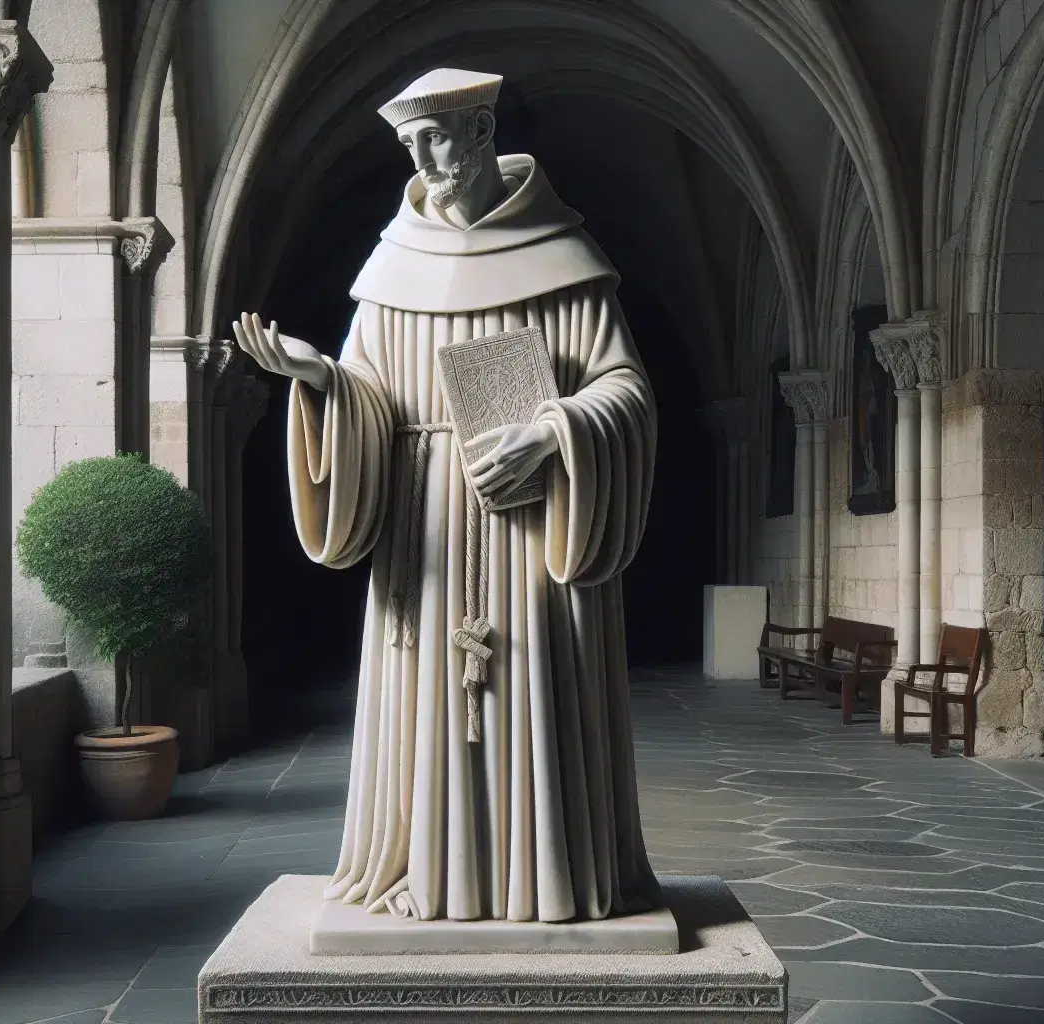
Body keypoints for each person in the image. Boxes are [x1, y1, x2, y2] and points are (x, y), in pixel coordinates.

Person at [234, 68, 660, 924]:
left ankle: (546, 876)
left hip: (533, 520)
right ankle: (426, 871)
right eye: (410, 145)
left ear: (481, 132)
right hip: (425, 524)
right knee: (427, 703)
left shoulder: (566, 260)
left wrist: (551, 432)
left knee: (537, 687)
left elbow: (627, 392)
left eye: (436, 139)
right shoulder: (394, 267)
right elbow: (366, 387)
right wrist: (320, 379)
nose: (424, 159)